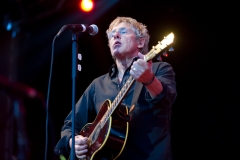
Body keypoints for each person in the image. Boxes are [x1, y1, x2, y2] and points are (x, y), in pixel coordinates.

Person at [54, 16, 177, 160]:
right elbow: (70, 124)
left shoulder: (158, 69)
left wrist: (149, 80)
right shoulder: (98, 85)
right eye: (112, 34)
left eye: (123, 32)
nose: (115, 35)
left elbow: (166, 98)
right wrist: (72, 142)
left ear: (141, 42)